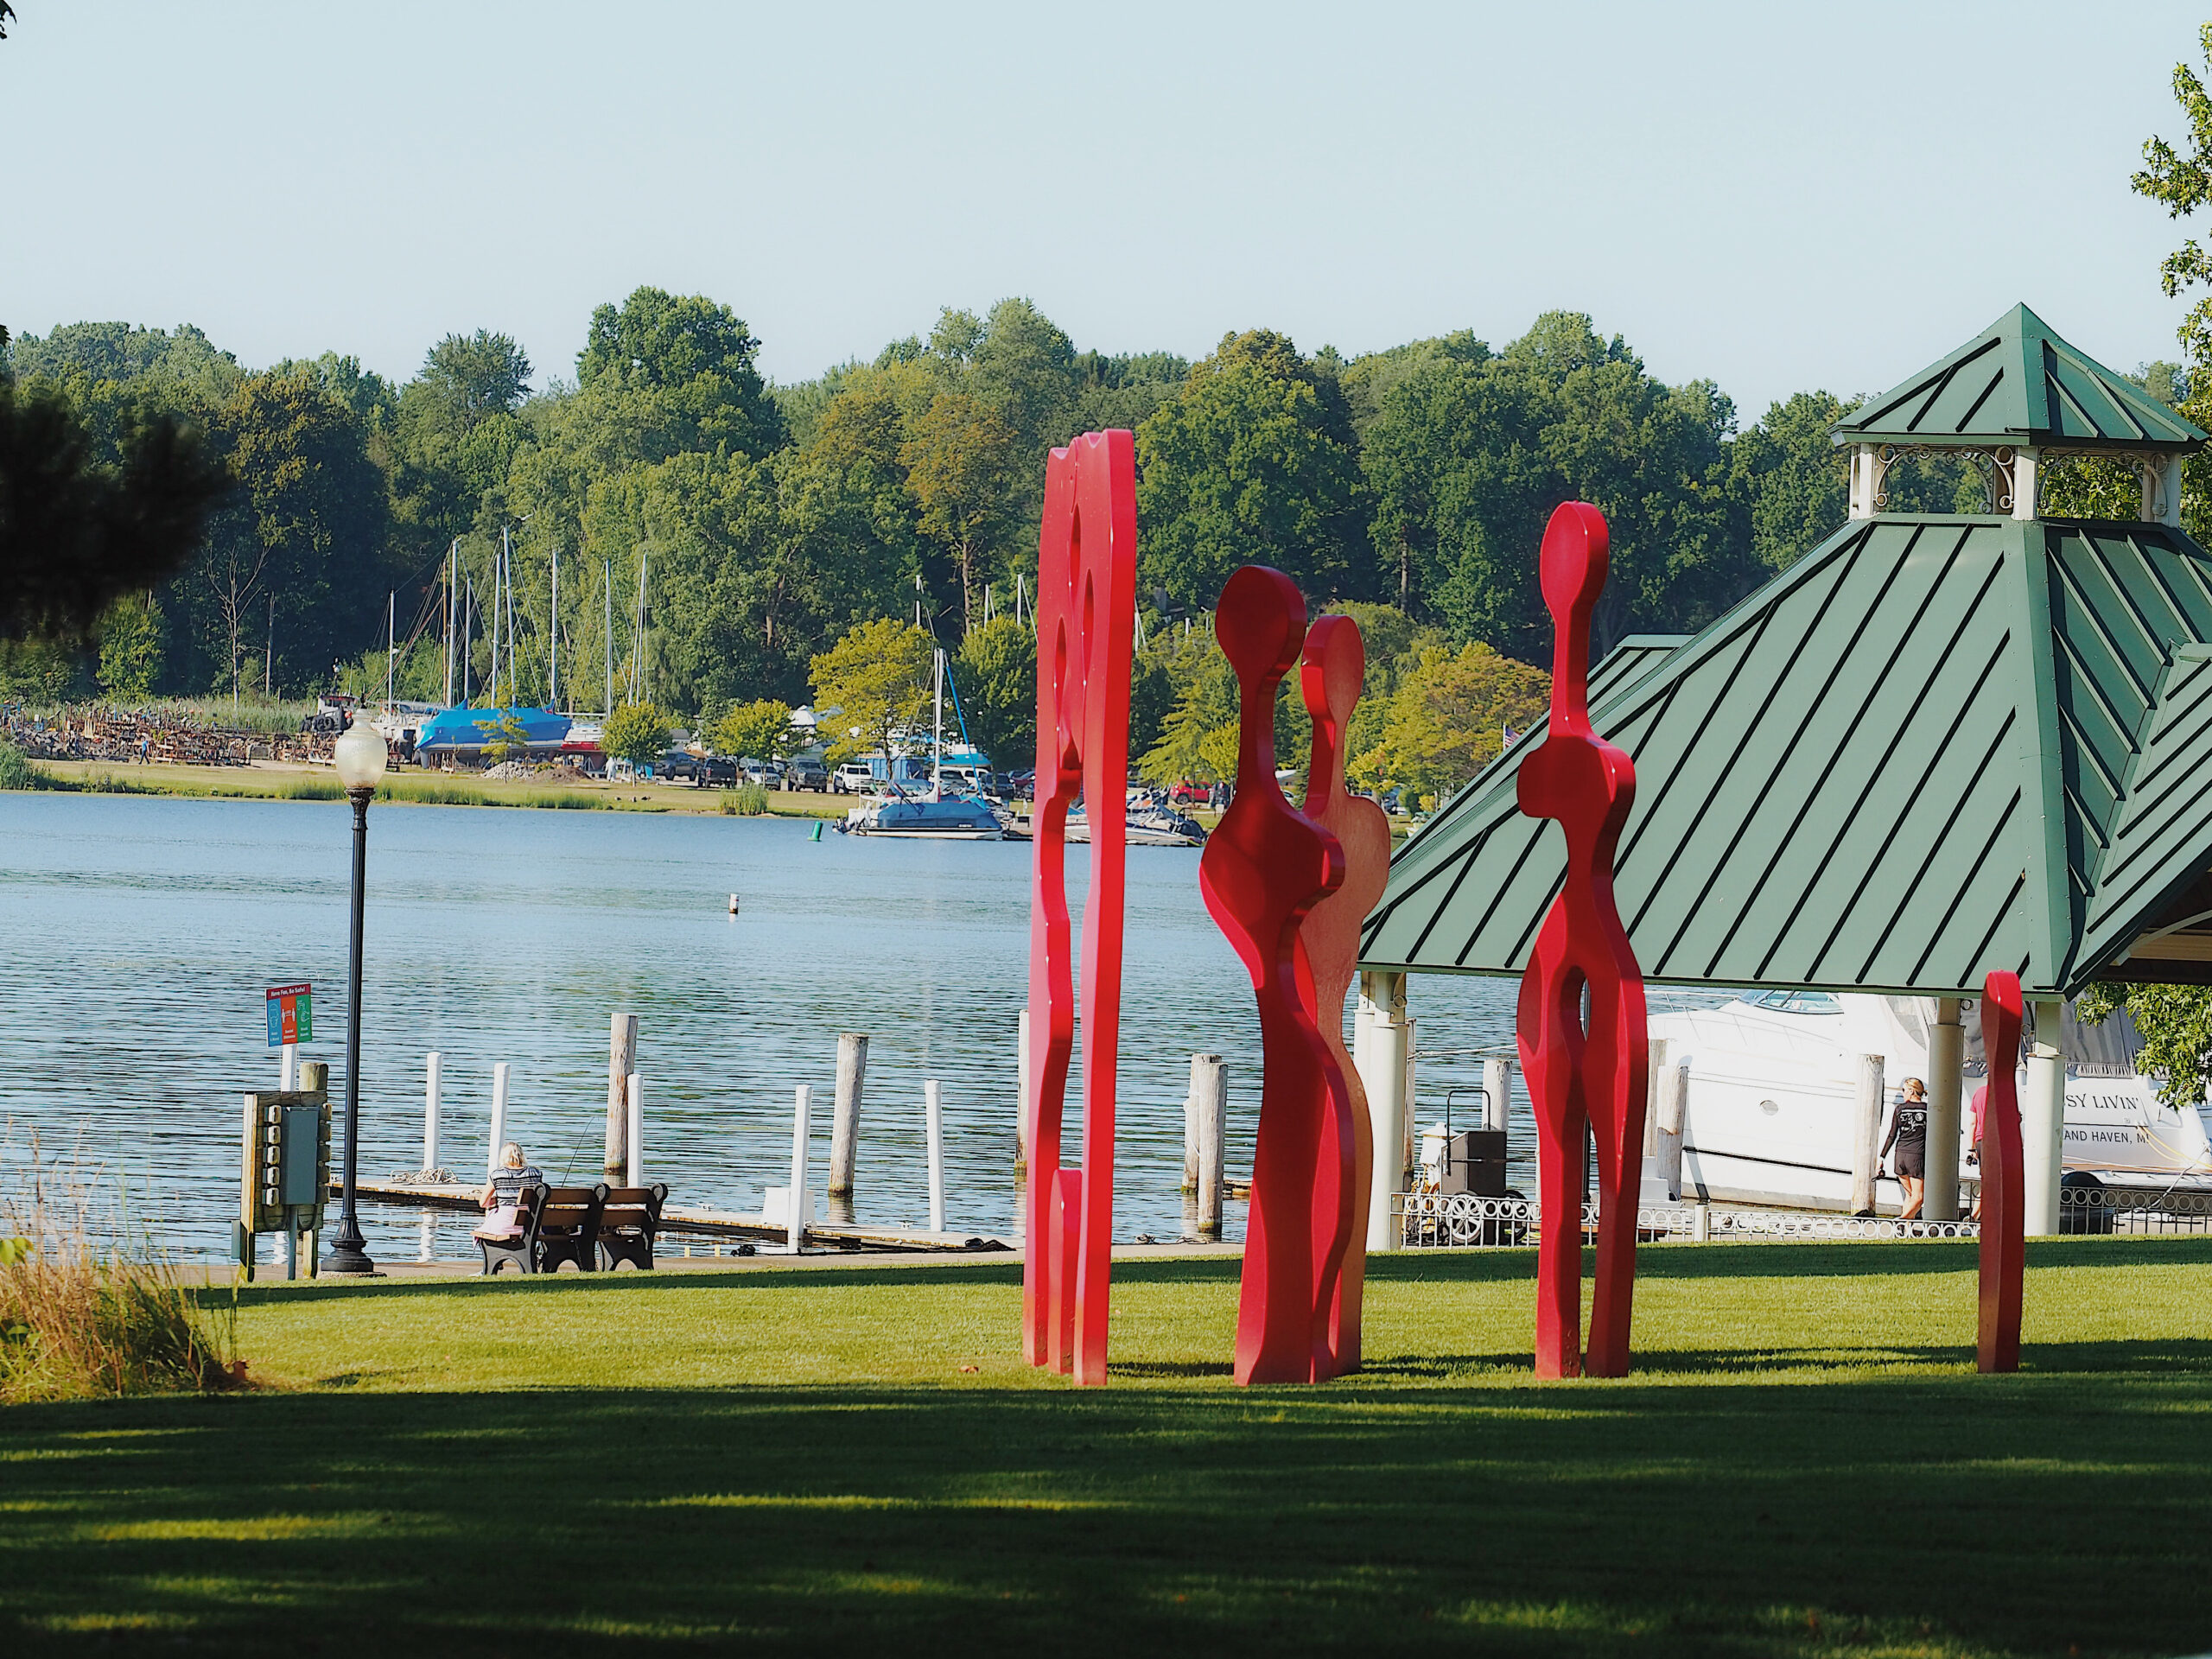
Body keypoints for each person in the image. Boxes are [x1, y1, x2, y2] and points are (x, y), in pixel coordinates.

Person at [1880, 1077, 1929, 1221]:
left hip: (1900, 1155)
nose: (1903, 1093)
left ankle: (1905, 1232)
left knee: (1909, 1195)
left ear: (1912, 1091)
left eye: (1904, 1090)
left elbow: (1892, 1135)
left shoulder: (1899, 1109)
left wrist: (1882, 1157)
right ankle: (1902, 1221)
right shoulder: (1927, 1109)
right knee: (1919, 1198)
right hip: (1916, 1156)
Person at [474, 1142, 545, 1239]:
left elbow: (483, 1203)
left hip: (503, 1227)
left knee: (489, 1214)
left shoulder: (497, 1175)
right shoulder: (535, 1173)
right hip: (530, 1226)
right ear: (521, 1155)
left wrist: (497, 1200)